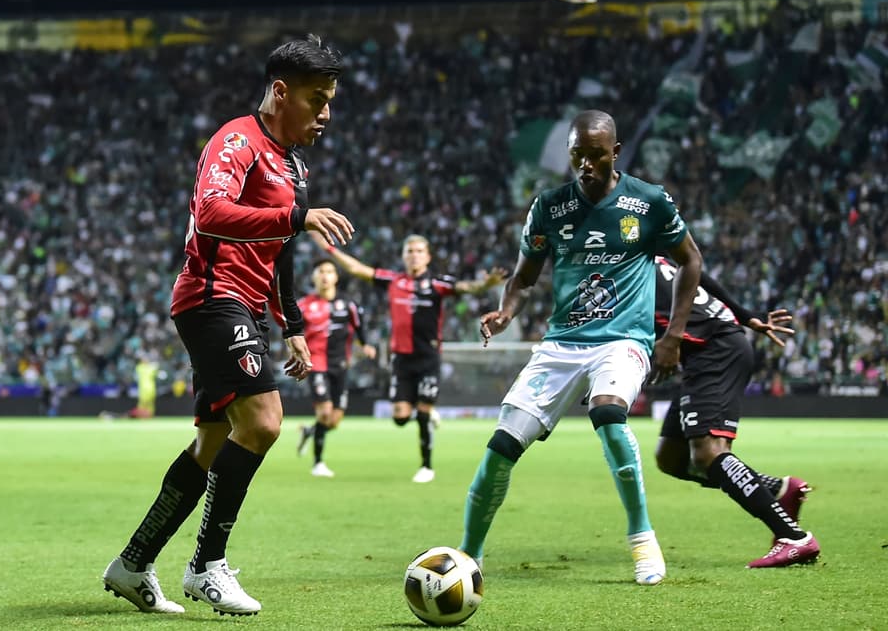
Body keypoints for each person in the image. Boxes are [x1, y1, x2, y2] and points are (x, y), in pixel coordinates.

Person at [102, 35, 354, 617]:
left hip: (240, 305)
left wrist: (290, 323)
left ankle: (133, 564)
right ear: (281, 91)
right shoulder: (236, 139)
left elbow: (279, 246)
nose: (326, 113)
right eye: (317, 99)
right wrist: (297, 214)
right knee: (264, 422)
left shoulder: (293, 163)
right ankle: (206, 567)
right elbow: (211, 213)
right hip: (212, 297)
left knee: (212, 443)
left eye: (330, 100)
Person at [461, 110, 701, 586]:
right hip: (561, 344)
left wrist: (672, 335)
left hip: (623, 340)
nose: (586, 164)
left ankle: (642, 539)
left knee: (608, 414)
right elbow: (523, 278)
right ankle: (469, 556)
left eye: (595, 154)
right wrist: (506, 310)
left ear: (615, 151)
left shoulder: (649, 202)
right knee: (501, 447)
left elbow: (690, 260)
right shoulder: (549, 207)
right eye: (578, 155)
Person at [650, 255, 820, 567]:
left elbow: (693, 268)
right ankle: (781, 489)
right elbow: (695, 270)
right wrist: (745, 315)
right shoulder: (652, 252)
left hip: (714, 349)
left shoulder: (620, 258)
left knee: (707, 453)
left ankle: (794, 538)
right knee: (671, 458)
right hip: (703, 350)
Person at [315, 232, 506, 483]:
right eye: (410, 251)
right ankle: (423, 410)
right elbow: (357, 269)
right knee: (400, 417)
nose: (414, 255)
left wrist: (485, 285)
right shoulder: (394, 281)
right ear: (404, 256)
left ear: (427, 256)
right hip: (401, 360)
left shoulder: (437, 284)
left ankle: (426, 466)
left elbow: (464, 286)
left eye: (419, 251)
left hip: (428, 357)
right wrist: (329, 249)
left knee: (423, 413)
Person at [295, 259, 378, 478]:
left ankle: (309, 432)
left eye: (329, 271)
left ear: (336, 277)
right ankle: (318, 463)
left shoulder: (348, 304)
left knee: (334, 420)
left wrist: (366, 344)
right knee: (324, 413)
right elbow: (293, 333)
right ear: (314, 277)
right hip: (316, 364)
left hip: (341, 365)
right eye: (320, 271)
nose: (325, 275)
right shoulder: (304, 305)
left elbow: (359, 326)